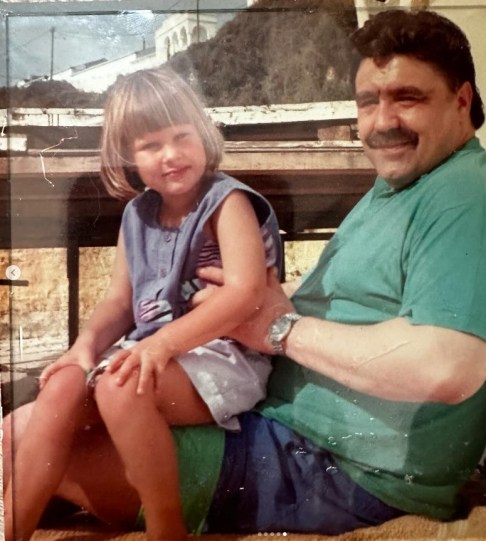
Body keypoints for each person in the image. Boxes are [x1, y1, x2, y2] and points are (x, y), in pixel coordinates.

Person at [3, 7, 486, 537]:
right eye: (368, 102)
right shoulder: (403, 189)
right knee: (29, 425)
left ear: (462, 100)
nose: (382, 122)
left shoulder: (472, 206)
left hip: (336, 471)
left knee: (26, 442)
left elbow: (447, 366)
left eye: (408, 98)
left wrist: (278, 330)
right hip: (282, 434)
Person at [2, 67, 282, 541]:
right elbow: (119, 300)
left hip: (225, 353)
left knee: (117, 384)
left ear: (203, 134)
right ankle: (13, 529)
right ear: (128, 155)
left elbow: (244, 293)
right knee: (63, 386)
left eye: (180, 137)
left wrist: (163, 345)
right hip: (155, 352)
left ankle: (165, 525)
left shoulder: (226, 201)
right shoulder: (137, 214)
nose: (170, 155)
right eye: (151, 145)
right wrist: (84, 348)